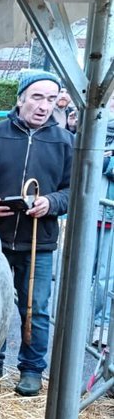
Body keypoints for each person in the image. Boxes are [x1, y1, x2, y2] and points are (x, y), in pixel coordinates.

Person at [0, 70, 73, 396]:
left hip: (39, 241)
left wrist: (51, 202)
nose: (44, 106)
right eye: (37, 97)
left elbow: (73, 189)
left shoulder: (65, 142)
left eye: (51, 99)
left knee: (36, 308)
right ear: (20, 98)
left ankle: (32, 370)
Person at [91, 95, 114, 345]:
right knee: (83, 271)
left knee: (107, 274)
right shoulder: (94, 129)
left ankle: (103, 324)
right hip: (90, 211)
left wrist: (106, 161)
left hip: (110, 212)